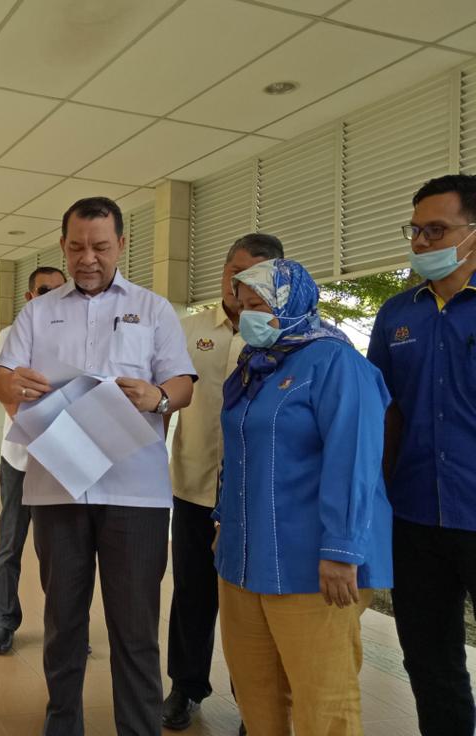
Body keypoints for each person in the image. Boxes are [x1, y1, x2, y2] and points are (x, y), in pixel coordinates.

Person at [0, 196, 196, 736]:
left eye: (101, 247)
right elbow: (2, 376)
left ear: (122, 245)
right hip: (57, 486)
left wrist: (158, 397)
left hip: (136, 494)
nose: (88, 258)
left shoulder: (153, 309)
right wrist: (11, 383)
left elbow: (182, 384)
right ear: (63, 245)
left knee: (135, 629)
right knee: (63, 622)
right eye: (77, 247)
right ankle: (62, 724)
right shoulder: (38, 312)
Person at [215, 258, 393, 736]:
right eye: (242, 306)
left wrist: (341, 550)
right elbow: (238, 451)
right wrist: (222, 520)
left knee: (323, 700)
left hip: (313, 565)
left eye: (260, 305)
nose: (248, 316)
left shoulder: (336, 363)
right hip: (243, 560)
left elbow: (354, 459)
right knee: (256, 691)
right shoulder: (255, 367)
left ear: (293, 303)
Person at [367, 173, 476, 736]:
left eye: (436, 230)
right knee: (430, 661)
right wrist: (374, 501)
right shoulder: (396, 315)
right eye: (414, 230)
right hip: (413, 516)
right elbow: (384, 414)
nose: (420, 242)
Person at [163, 233, 284, 732]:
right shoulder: (187, 330)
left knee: (251, 605)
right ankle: (185, 687)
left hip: (256, 497)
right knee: (192, 593)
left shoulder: (286, 334)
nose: (238, 284)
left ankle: (253, 703)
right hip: (193, 486)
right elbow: (163, 400)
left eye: (253, 275)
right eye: (233, 271)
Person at [0, 266, 66, 655]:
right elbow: (6, 393)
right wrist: (35, 433)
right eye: (45, 290)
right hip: (19, 457)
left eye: (61, 289)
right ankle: (3, 621)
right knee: (10, 543)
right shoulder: (11, 334)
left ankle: (65, 627)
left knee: (61, 552)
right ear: (30, 296)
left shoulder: (73, 334)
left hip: (61, 461)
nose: (54, 296)